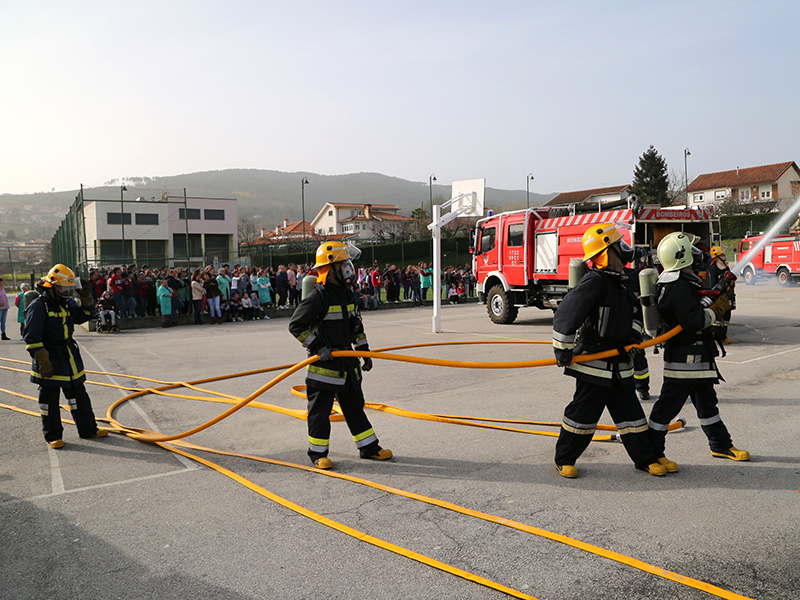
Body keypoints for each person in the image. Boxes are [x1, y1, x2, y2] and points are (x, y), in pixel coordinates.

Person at [552, 224, 667, 478]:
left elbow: (636, 314)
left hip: (619, 363)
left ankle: (645, 459)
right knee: (582, 416)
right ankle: (564, 458)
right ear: (606, 253)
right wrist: (562, 347)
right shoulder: (595, 281)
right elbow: (566, 314)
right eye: (618, 246)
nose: (624, 251)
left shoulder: (624, 282)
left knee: (632, 416)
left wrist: (635, 337)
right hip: (594, 365)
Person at [289, 241, 392, 470]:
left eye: (348, 263)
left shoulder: (346, 293)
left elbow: (356, 325)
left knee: (355, 408)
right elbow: (296, 326)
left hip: (348, 365)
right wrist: (317, 347)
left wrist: (364, 351)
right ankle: (317, 453)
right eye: (343, 264)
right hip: (324, 367)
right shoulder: (318, 296)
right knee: (319, 413)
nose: (348, 268)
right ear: (330, 268)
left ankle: (369, 447)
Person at [648, 232, 750, 464]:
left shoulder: (678, 283)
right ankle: (652, 455)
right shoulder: (678, 287)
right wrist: (718, 309)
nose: (698, 255)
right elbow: (694, 321)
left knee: (707, 403)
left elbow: (694, 309)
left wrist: (717, 293)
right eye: (692, 250)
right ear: (681, 256)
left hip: (695, 357)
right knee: (667, 408)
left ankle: (721, 445)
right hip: (685, 359)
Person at [23, 264, 109, 448]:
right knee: (49, 401)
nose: (67, 292)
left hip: (69, 357)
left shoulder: (64, 304)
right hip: (50, 358)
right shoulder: (39, 306)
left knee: (79, 397)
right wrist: (43, 360)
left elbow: (84, 315)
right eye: (64, 288)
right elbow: (31, 336)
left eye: (70, 289)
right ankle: (53, 435)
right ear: (52, 286)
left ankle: (88, 429)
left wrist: (85, 297)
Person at [706, 246, 734, 344]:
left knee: (726, 318)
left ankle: (723, 337)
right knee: (717, 318)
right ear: (717, 257)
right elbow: (712, 284)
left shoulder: (726, 267)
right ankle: (715, 338)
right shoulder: (712, 268)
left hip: (728, 295)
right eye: (722, 254)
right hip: (718, 297)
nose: (724, 255)